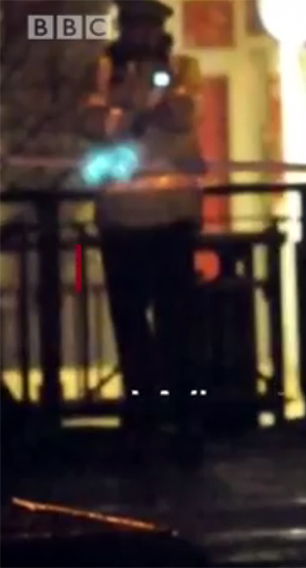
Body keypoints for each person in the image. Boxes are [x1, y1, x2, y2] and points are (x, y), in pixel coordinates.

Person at [80, 0, 207, 454]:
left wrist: (129, 112)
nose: (141, 34)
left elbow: (181, 115)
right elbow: (96, 124)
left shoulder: (183, 67)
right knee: (131, 325)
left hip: (172, 216)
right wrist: (140, 110)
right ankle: (144, 416)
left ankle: (185, 416)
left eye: (148, 26)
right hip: (120, 220)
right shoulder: (99, 71)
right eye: (134, 25)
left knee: (177, 324)